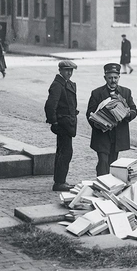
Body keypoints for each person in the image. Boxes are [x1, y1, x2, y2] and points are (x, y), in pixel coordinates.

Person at [87, 63, 137, 176]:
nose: (113, 80)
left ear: (119, 77)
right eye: (110, 78)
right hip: (102, 135)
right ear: (105, 78)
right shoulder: (96, 93)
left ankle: (111, 187)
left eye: (115, 77)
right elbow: (89, 114)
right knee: (103, 162)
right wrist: (98, 124)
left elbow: (134, 110)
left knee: (113, 163)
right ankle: (101, 185)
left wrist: (127, 114)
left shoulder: (126, 92)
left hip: (117, 135)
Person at [44, 60, 79, 192]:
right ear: (60, 70)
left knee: (62, 152)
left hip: (67, 123)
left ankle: (59, 180)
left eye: (71, 71)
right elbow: (50, 105)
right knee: (66, 153)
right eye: (66, 70)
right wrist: (54, 122)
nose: (69, 73)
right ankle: (59, 182)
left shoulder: (66, 83)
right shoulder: (58, 85)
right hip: (63, 123)